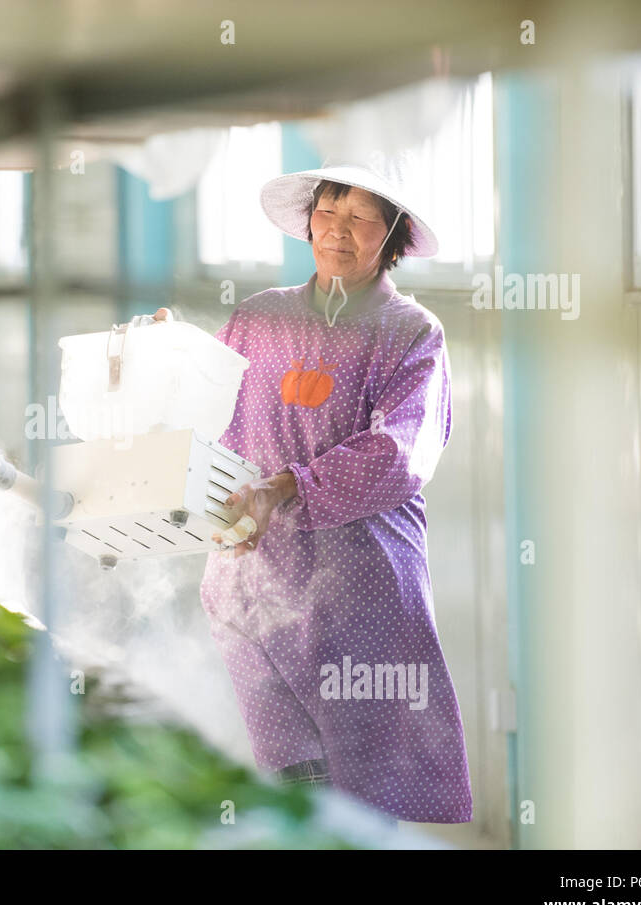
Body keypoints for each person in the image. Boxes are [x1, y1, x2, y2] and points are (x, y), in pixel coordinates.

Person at [157, 164, 473, 825]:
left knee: (360, 794)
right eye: (329, 213)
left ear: (393, 240)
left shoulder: (411, 333)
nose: (339, 231)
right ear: (308, 223)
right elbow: (204, 400)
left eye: (363, 220)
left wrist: (285, 487)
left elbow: (397, 456)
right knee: (290, 785)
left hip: (362, 592)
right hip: (252, 583)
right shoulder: (260, 316)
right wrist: (168, 354)